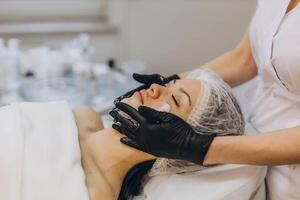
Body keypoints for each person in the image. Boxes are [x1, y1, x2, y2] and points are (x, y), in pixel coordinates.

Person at [111, 0, 300, 199]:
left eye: (176, 100)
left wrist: (201, 147)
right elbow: (244, 59)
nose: (155, 90)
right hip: (251, 139)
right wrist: (174, 82)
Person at [77, 69, 248, 200]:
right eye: (169, 85)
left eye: (175, 100)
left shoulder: (90, 193)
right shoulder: (86, 116)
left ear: (176, 147)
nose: (155, 87)